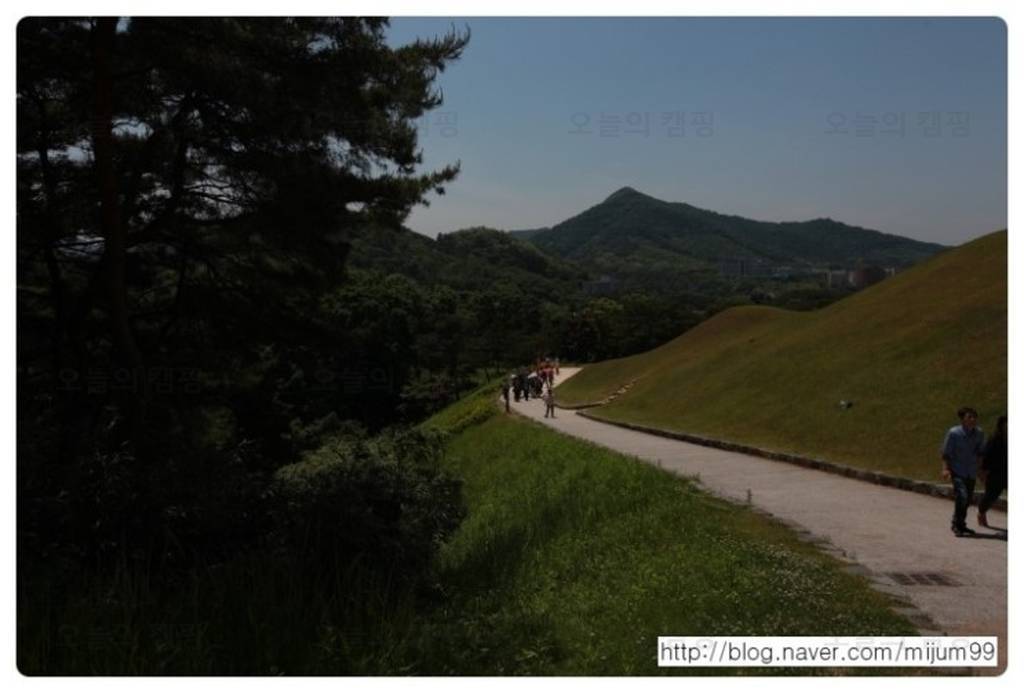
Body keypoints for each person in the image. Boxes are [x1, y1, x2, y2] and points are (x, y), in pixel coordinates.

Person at [941, 406, 986, 537]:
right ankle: (956, 524)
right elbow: (946, 453)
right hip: (957, 470)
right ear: (962, 419)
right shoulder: (954, 433)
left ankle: (961, 524)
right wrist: (945, 469)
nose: (973, 419)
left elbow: (980, 453)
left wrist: (980, 471)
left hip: (971, 471)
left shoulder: (979, 433)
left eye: (974, 417)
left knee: (967, 500)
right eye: (969, 417)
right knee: (962, 496)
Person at [978, 415, 1007, 528]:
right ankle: (981, 512)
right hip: (996, 473)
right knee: (991, 496)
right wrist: (983, 472)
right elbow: (987, 456)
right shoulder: (994, 439)